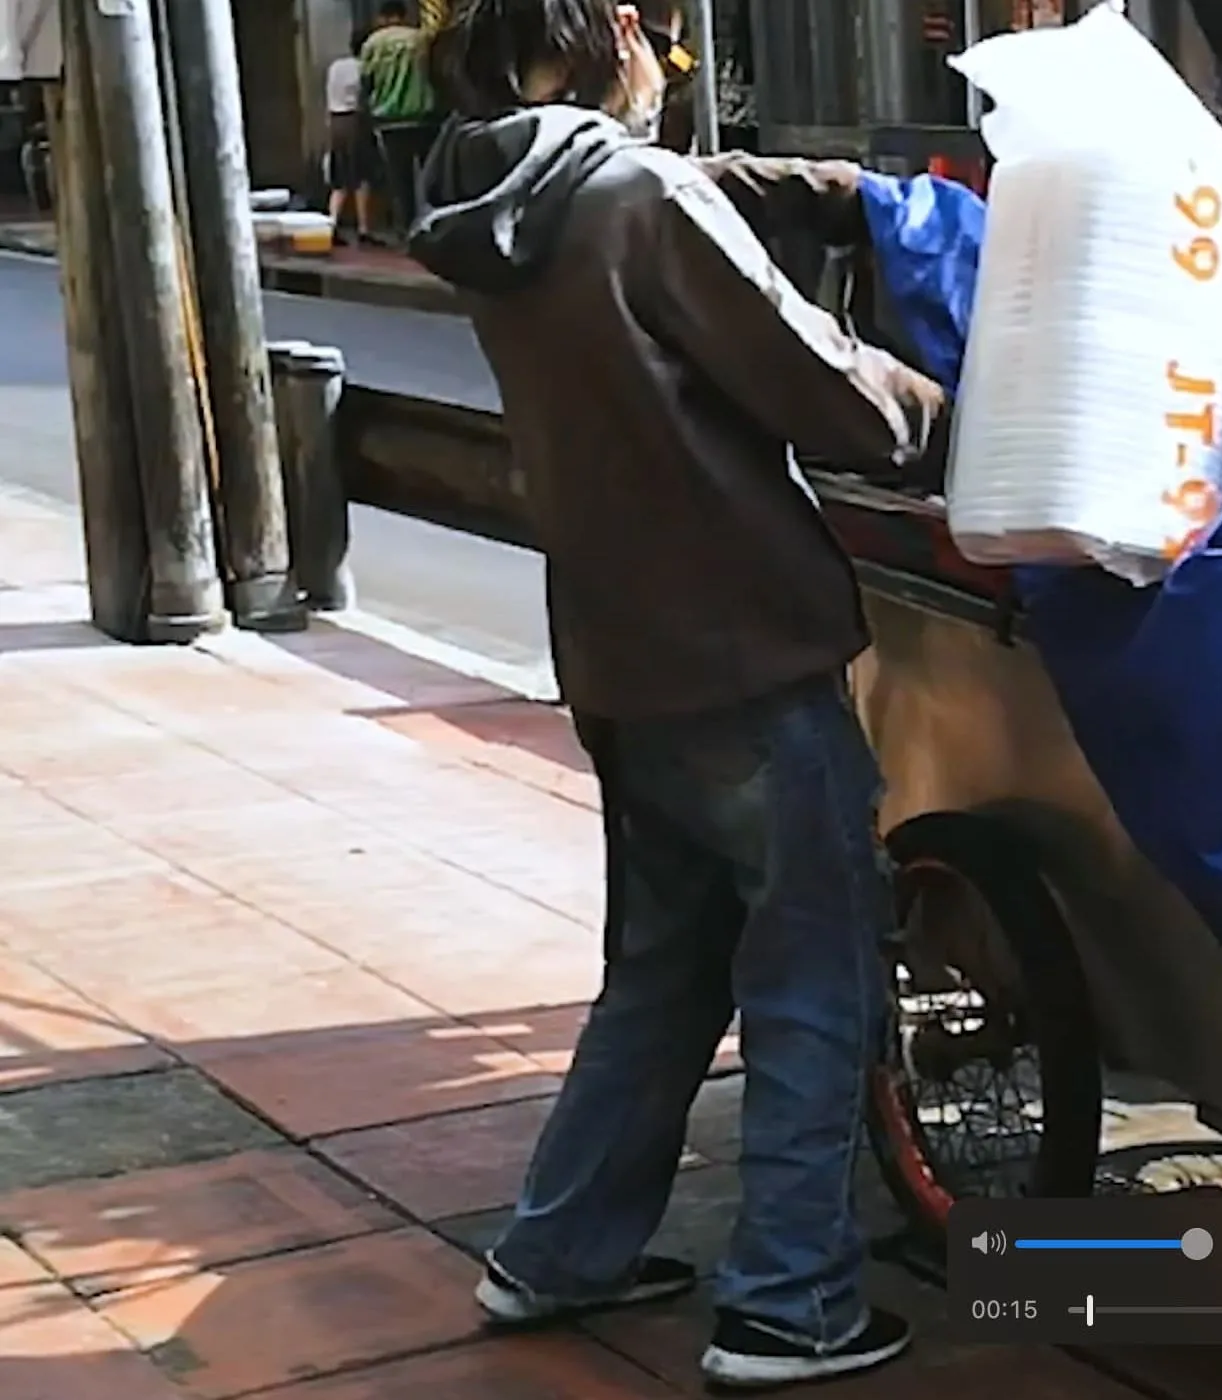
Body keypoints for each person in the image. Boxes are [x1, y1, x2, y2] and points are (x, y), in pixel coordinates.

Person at [407, 0, 946, 1389]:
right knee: (817, 973)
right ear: (609, 35)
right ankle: (791, 1304)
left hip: (618, 652)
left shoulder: (485, 189)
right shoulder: (633, 195)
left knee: (662, 968)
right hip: (741, 650)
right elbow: (822, 390)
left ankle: (560, 1249)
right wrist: (930, 400)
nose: (667, 55)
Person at [360, 0, 440, 241]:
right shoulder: (422, 40)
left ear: (384, 17)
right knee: (430, 175)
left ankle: (406, 230)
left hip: (390, 122)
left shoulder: (373, 43)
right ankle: (433, 224)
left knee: (400, 179)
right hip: (425, 118)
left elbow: (366, 82)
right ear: (403, 16)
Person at [323, 31, 376, 243]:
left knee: (340, 179)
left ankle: (331, 224)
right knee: (362, 175)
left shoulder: (336, 66)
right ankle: (364, 229)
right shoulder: (363, 68)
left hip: (335, 121)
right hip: (356, 121)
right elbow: (366, 97)